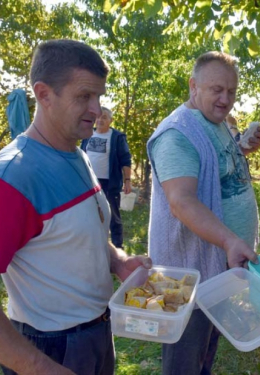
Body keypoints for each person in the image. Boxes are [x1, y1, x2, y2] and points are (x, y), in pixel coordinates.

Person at [0, 39, 151, 375]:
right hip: (50, 349)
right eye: (84, 96)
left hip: (97, 333)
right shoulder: (13, 177)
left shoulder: (77, 155)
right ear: (43, 94)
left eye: (99, 96)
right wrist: (38, 366)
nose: (97, 109)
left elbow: (83, 233)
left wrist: (118, 261)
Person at [147, 51, 260, 375]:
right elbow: (181, 201)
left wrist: (242, 149)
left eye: (231, 91)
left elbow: (213, 167)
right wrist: (229, 241)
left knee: (204, 356)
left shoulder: (215, 122)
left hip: (216, 271)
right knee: (185, 358)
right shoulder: (177, 135)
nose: (225, 99)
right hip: (188, 277)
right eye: (216, 90)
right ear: (193, 86)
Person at [81, 106, 132, 249]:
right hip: (90, 182)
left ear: (111, 120)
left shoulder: (116, 137)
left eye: (104, 117)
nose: (100, 120)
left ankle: (117, 247)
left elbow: (125, 160)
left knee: (113, 215)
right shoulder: (87, 135)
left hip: (110, 182)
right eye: (98, 117)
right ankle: (96, 245)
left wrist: (127, 181)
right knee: (90, 213)